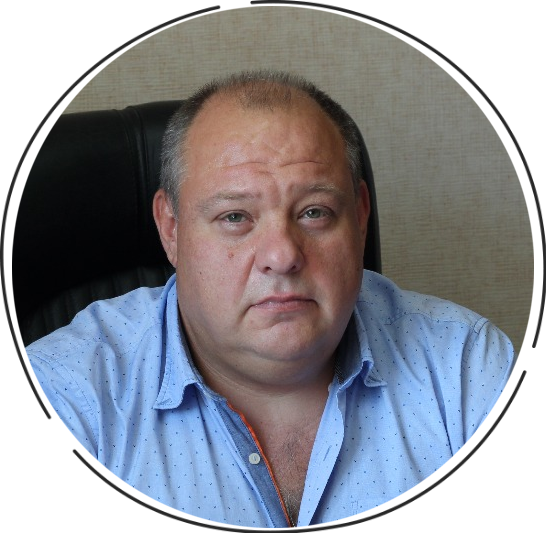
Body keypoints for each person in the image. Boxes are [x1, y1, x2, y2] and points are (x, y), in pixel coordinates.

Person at [25, 70, 515, 528]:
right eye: (235, 217)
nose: (282, 256)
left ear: (360, 217)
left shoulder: (466, 369)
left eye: (315, 212)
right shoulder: (68, 393)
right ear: (171, 229)